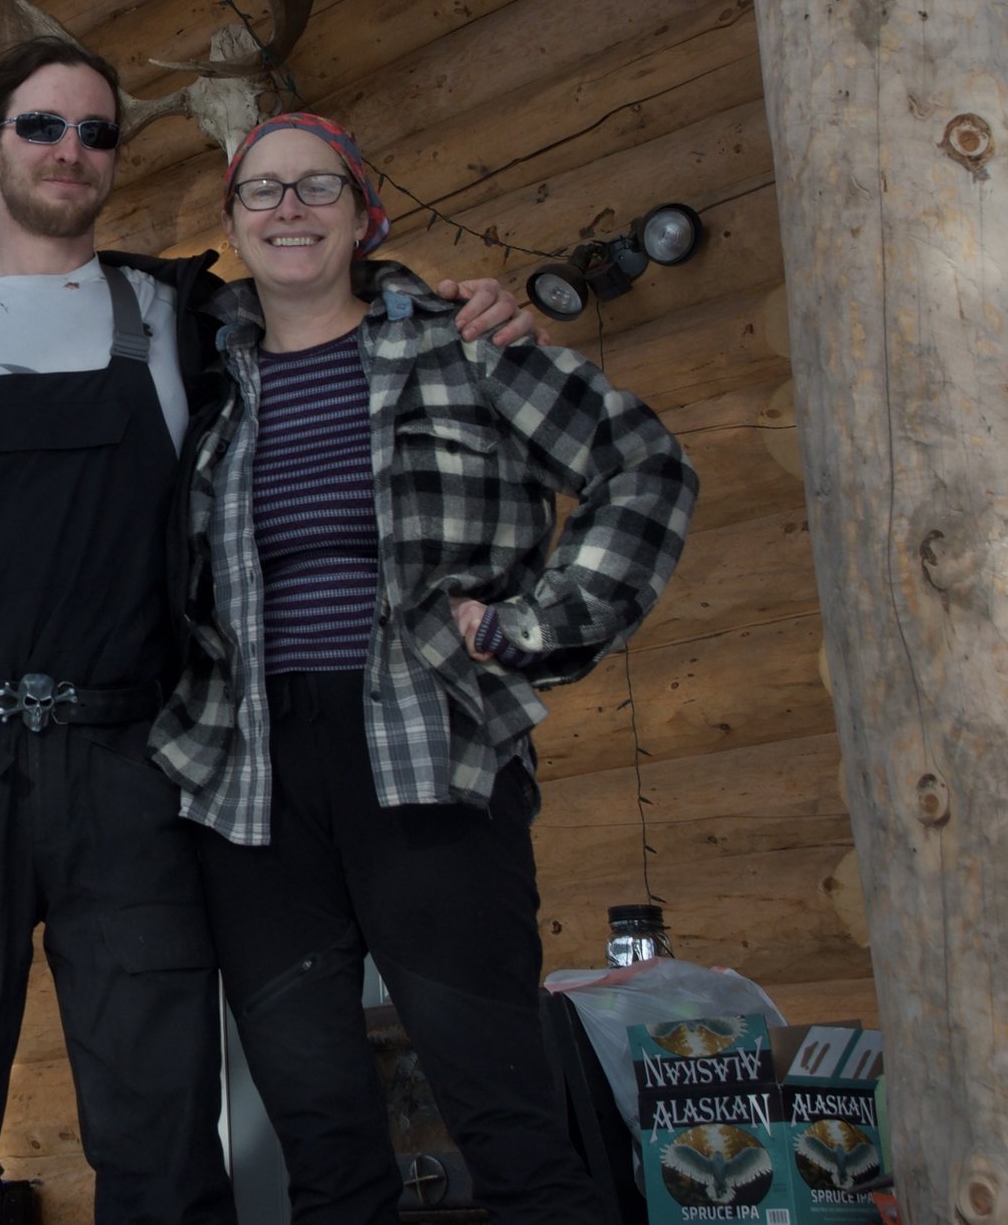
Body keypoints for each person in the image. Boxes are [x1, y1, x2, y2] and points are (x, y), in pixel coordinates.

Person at [0, 43, 538, 1225]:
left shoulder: (184, 315)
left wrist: (448, 299)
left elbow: (321, 288)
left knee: (160, 1138)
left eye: (98, 134)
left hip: (134, 770)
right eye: (43, 126)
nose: (71, 151)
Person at [153, 112, 698, 1224]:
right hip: (250, 787)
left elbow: (642, 467)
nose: (289, 209)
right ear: (233, 223)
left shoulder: (466, 344)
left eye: (317, 188)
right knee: (319, 1138)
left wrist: (535, 623)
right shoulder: (204, 385)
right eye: (261, 192)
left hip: (430, 752)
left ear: (364, 217)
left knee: (504, 1112)